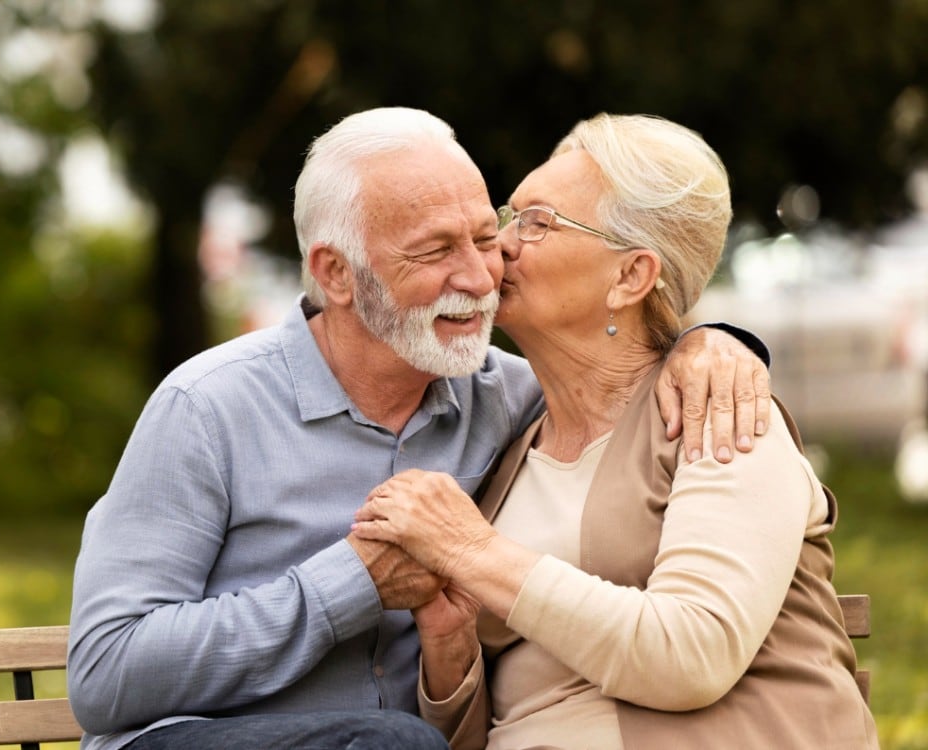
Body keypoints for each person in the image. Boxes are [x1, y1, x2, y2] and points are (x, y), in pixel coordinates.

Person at [67, 107, 772, 750]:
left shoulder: (514, 402)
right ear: (336, 273)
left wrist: (709, 343)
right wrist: (352, 583)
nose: (480, 277)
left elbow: (617, 364)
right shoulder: (206, 407)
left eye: (485, 238)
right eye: (435, 252)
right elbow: (104, 673)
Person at [352, 113, 879, 749]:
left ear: (630, 276)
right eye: (509, 216)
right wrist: (450, 645)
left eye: (538, 222)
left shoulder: (718, 416)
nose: (499, 245)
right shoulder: (510, 442)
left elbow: (692, 655)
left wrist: (472, 553)